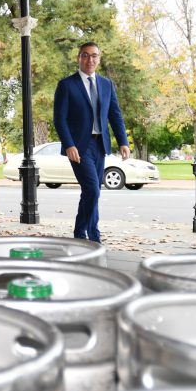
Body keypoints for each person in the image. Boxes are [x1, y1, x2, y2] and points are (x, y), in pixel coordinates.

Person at [52, 42, 129, 243]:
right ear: (79, 58)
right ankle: (91, 235)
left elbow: (115, 114)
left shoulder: (106, 84)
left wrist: (123, 141)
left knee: (91, 191)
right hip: (78, 147)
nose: (90, 60)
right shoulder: (67, 85)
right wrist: (68, 144)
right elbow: (60, 119)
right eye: (85, 55)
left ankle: (83, 233)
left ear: (99, 59)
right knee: (93, 189)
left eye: (94, 56)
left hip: (100, 144)